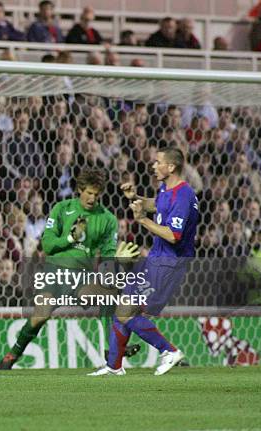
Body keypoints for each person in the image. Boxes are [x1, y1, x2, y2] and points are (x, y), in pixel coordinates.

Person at [0, 168, 141, 369]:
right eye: (89, 193)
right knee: (41, 316)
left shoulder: (107, 219)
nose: (92, 198)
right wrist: (70, 238)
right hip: (54, 274)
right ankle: (12, 356)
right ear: (80, 190)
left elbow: (107, 258)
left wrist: (118, 260)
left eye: (96, 194)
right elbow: (47, 245)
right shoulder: (62, 209)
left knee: (108, 292)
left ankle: (113, 347)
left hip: (82, 279)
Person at [90, 147, 199, 376]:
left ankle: (169, 351)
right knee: (124, 305)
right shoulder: (166, 189)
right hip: (156, 259)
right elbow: (157, 204)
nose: (153, 166)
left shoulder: (183, 195)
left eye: (157, 162)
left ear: (171, 167)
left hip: (168, 263)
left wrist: (142, 220)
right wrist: (136, 199)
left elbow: (173, 235)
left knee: (126, 312)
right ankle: (114, 366)